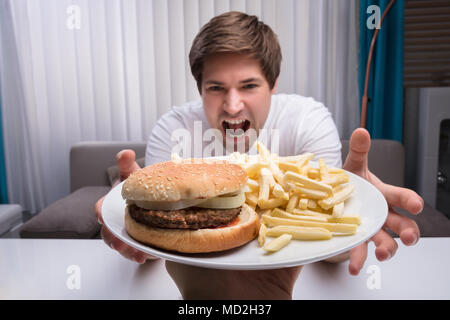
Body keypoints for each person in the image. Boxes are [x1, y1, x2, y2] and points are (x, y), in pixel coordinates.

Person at [95, 11, 423, 299]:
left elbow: (330, 251)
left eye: (249, 86)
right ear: (200, 89)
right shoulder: (173, 128)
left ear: (273, 83)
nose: (233, 104)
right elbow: (158, 246)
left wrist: (356, 215)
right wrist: (132, 226)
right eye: (216, 87)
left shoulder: (308, 120)